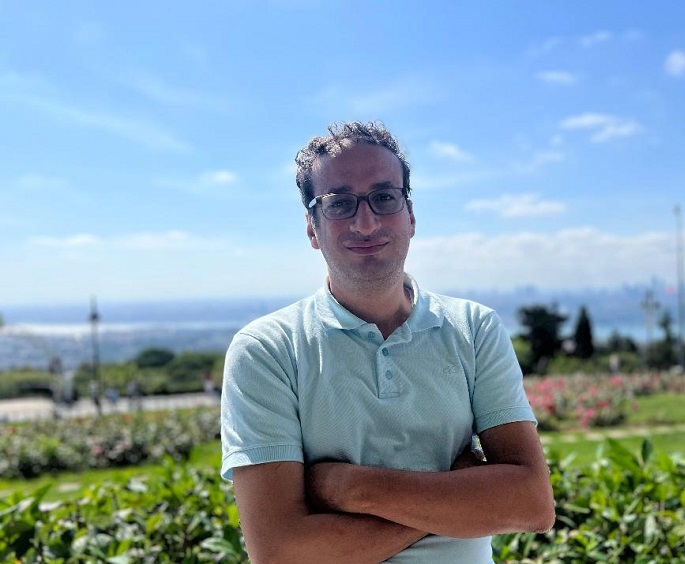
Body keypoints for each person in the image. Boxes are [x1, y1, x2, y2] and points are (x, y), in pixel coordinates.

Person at [220, 121, 555, 563]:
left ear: (410, 216)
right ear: (312, 228)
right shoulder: (267, 350)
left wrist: (348, 487)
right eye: (339, 203)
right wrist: (460, 494)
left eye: (384, 197)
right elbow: (280, 552)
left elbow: (532, 504)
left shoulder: (474, 328)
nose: (366, 222)